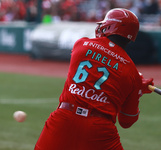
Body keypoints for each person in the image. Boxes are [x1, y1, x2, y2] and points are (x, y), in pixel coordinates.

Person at [34, 8, 154, 150]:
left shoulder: (81, 44)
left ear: (110, 26)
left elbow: (100, 63)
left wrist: (135, 85)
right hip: (100, 130)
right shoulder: (132, 72)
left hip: (64, 119)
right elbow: (126, 121)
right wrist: (137, 90)